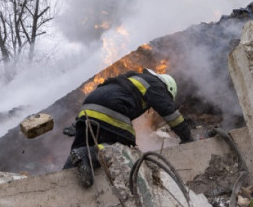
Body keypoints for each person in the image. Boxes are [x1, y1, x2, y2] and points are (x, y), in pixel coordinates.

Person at [64, 68, 192, 187]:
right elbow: (172, 115)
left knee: (80, 148)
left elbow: (102, 93)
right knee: (125, 144)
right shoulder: (156, 85)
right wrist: (187, 138)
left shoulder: (129, 79)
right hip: (111, 108)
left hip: (87, 109)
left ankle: (63, 180)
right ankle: (89, 154)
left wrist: (78, 123)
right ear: (167, 89)